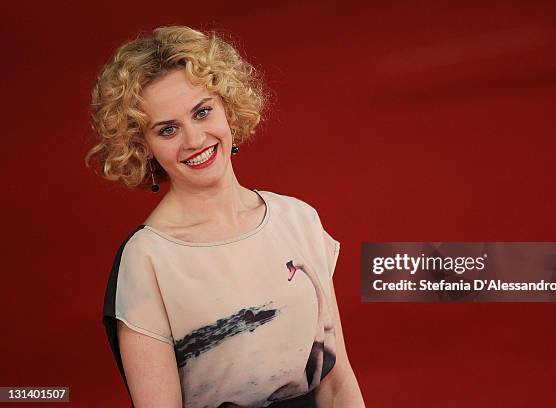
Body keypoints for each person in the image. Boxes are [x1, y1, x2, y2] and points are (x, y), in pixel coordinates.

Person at [85, 25, 365, 408]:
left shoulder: (297, 220)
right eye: (168, 129)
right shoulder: (147, 260)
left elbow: (337, 383)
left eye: (202, 112)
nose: (195, 140)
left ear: (229, 107)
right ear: (142, 145)